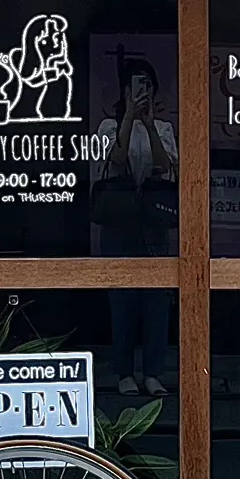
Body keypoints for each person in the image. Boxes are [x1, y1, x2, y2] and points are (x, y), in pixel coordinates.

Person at [93, 55, 177, 396]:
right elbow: (114, 160)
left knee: (157, 301)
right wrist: (128, 117)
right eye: (136, 85)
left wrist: (151, 123)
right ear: (125, 90)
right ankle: (124, 372)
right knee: (122, 300)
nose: (142, 90)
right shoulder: (107, 127)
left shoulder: (165, 129)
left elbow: (165, 166)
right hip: (119, 222)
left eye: (147, 84)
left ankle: (153, 372)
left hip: (154, 221)